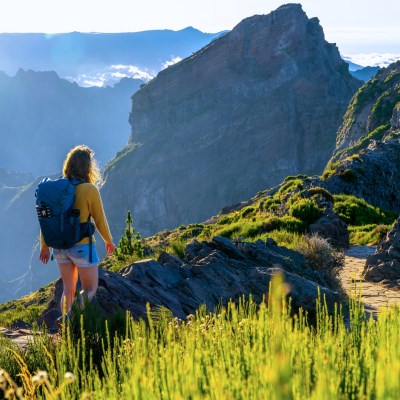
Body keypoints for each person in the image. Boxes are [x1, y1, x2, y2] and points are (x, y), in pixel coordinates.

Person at [39, 145, 115, 319]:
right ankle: (68, 318)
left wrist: (44, 246)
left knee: (68, 289)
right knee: (90, 289)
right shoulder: (89, 189)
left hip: (58, 247)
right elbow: (99, 219)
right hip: (82, 246)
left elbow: (47, 221)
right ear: (88, 167)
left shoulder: (56, 190)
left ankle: (64, 329)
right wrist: (108, 240)